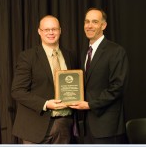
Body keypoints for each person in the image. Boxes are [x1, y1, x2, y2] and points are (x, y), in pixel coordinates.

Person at [11, 15, 78, 144]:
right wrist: (45, 104)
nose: (51, 32)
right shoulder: (28, 57)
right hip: (35, 126)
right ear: (39, 31)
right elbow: (17, 91)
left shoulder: (70, 55)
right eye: (46, 29)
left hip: (64, 125)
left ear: (60, 30)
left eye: (54, 29)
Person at [69, 8, 129, 144]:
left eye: (95, 22)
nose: (89, 26)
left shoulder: (116, 51)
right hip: (86, 126)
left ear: (104, 25)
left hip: (107, 127)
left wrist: (90, 105)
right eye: (87, 22)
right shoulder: (85, 51)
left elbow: (117, 87)